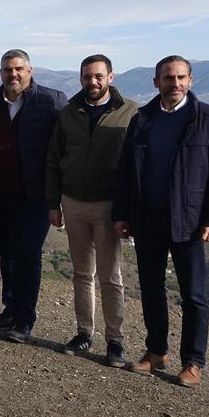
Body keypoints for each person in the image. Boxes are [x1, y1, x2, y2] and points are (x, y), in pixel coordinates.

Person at [114, 55, 209, 387]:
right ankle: (156, 352)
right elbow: (126, 172)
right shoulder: (142, 119)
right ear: (157, 82)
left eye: (181, 77)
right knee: (152, 289)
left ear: (191, 80)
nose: (175, 83)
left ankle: (193, 362)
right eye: (168, 78)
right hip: (148, 218)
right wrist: (122, 214)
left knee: (194, 295)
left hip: (190, 221)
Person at [45, 54, 138, 366]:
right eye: (87, 76)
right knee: (82, 273)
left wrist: (129, 210)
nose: (93, 82)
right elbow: (54, 158)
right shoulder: (69, 112)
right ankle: (84, 332)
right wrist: (53, 203)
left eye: (99, 76)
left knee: (111, 276)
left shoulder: (130, 112)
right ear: (80, 78)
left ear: (110, 77)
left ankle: (116, 341)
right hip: (72, 202)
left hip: (109, 205)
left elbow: (136, 164)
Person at [0, 49, 66, 343]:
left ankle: (24, 320)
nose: (12, 75)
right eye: (7, 70)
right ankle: (10, 309)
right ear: (0, 73)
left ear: (29, 70)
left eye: (18, 69)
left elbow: (63, 147)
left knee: (27, 256)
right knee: (5, 253)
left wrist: (58, 194)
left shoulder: (51, 101)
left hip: (33, 195)